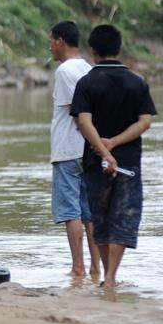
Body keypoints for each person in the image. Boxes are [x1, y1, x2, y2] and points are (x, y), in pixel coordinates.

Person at [70, 24, 157, 288]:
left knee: (100, 217)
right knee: (124, 217)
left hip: (96, 162)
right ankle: (110, 277)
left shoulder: (86, 83)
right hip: (129, 162)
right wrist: (116, 144)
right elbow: (145, 122)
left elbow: (84, 123)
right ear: (119, 49)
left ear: (93, 51)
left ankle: (108, 276)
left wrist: (105, 152)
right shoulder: (137, 82)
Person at [48, 21, 100, 278]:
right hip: (88, 150)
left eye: (51, 42)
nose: (50, 48)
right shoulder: (88, 69)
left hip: (68, 150)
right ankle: (95, 268)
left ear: (60, 41)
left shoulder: (65, 71)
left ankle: (77, 267)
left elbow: (78, 111)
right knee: (89, 213)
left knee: (71, 212)